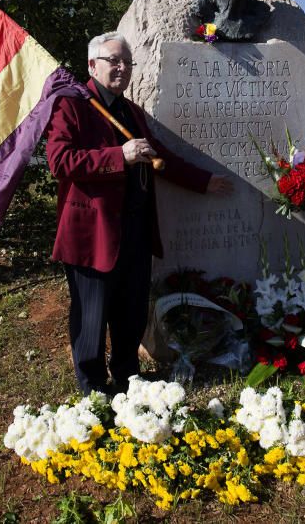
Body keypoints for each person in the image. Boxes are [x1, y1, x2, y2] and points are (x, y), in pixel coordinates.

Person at [45, 32, 234, 394]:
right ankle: (94, 390)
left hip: (135, 230)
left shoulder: (130, 112)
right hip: (93, 234)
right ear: (92, 65)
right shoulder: (71, 105)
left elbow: (160, 156)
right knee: (91, 317)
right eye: (113, 60)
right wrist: (121, 156)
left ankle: (128, 379)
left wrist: (203, 181)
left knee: (130, 314)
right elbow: (60, 161)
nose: (121, 68)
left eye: (126, 62)